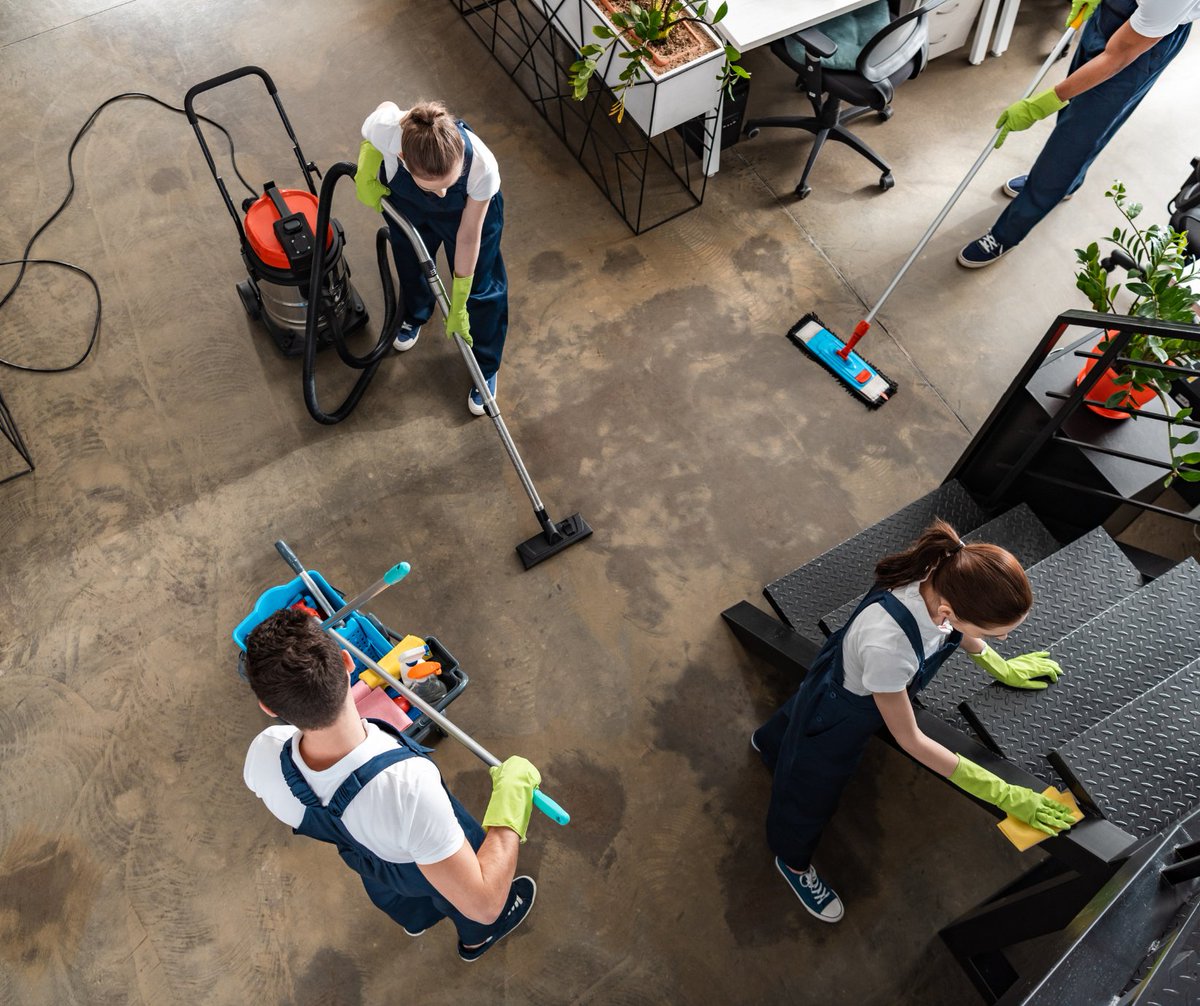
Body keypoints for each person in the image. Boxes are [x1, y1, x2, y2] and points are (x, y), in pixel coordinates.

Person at [753, 520, 1075, 923]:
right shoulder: (891, 648)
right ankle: (791, 859)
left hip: (848, 671)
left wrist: (1000, 666)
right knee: (810, 788)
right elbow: (912, 740)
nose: (1002, 640)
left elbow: (958, 631)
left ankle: (769, 743)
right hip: (843, 711)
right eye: (996, 635)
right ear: (949, 611)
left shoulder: (946, 568)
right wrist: (1004, 794)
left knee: (800, 713)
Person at [242, 608, 540, 961]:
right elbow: (484, 903)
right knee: (458, 893)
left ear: (268, 707)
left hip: (370, 858)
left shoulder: (264, 754)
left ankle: (417, 917)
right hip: (413, 852)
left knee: (392, 887)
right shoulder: (409, 788)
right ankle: (477, 940)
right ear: (348, 662)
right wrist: (512, 800)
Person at [958, 0, 1197, 267]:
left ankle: (1006, 233)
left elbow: (1116, 57)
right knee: (1073, 115)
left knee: (1073, 141)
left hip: (1144, 45)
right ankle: (1066, 185)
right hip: (1118, 12)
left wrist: (1042, 104)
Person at [354, 100, 507, 416]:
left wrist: (460, 300)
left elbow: (468, 237)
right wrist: (367, 169)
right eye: (433, 187)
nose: (440, 193)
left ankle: (485, 365)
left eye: (447, 184)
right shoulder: (388, 130)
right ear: (402, 158)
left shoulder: (482, 167)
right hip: (409, 204)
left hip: (467, 215)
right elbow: (377, 118)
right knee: (410, 259)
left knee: (481, 285)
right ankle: (416, 313)